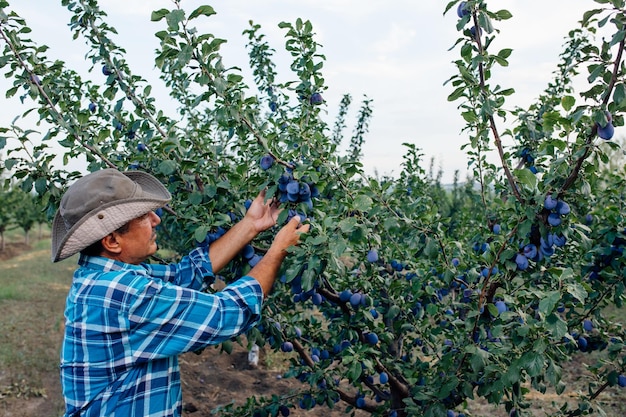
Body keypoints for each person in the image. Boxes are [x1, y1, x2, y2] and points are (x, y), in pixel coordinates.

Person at [51, 168, 309, 417]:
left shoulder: (101, 277)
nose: (156, 220)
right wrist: (278, 252)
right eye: (143, 216)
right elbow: (226, 314)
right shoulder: (122, 293)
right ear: (112, 241)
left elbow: (185, 275)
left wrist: (251, 224)